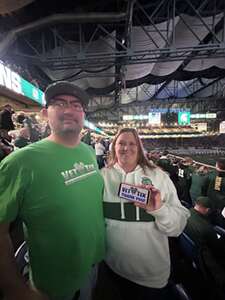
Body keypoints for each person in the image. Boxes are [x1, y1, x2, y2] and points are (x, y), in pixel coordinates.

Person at [0, 81, 105, 300]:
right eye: (59, 103)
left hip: (93, 265)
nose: (69, 109)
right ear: (45, 113)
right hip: (55, 284)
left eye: (76, 105)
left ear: (83, 114)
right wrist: (15, 290)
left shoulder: (88, 153)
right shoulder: (20, 162)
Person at [97, 127, 190, 300]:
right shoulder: (101, 177)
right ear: (113, 147)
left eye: (132, 143)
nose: (126, 148)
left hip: (150, 277)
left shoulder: (159, 177)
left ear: (139, 148)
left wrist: (159, 210)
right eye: (121, 143)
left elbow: (178, 227)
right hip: (112, 269)